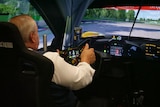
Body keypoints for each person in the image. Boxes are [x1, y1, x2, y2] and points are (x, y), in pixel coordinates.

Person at [9, 14, 96, 107]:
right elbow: (80, 80)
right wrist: (86, 60)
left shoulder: (6, 60)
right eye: (37, 32)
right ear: (32, 37)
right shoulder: (48, 60)